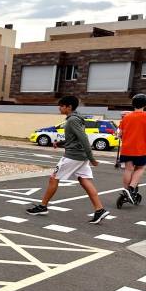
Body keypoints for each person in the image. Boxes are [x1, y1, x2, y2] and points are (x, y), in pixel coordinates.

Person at [26, 95, 109, 223]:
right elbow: (74, 138)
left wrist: (91, 158)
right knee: (84, 180)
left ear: (69, 107)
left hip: (73, 156)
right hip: (80, 155)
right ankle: (100, 210)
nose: (59, 108)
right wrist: (60, 143)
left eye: (61, 106)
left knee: (53, 178)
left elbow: (83, 138)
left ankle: (43, 207)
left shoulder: (72, 120)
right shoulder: (76, 118)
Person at [117, 94, 146, 205]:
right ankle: (131, 188)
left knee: (128, 169)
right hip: (141, 148)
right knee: (141, 168)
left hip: (127, 148)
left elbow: (120, 134)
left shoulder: (126, 117)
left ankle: (125, 190)